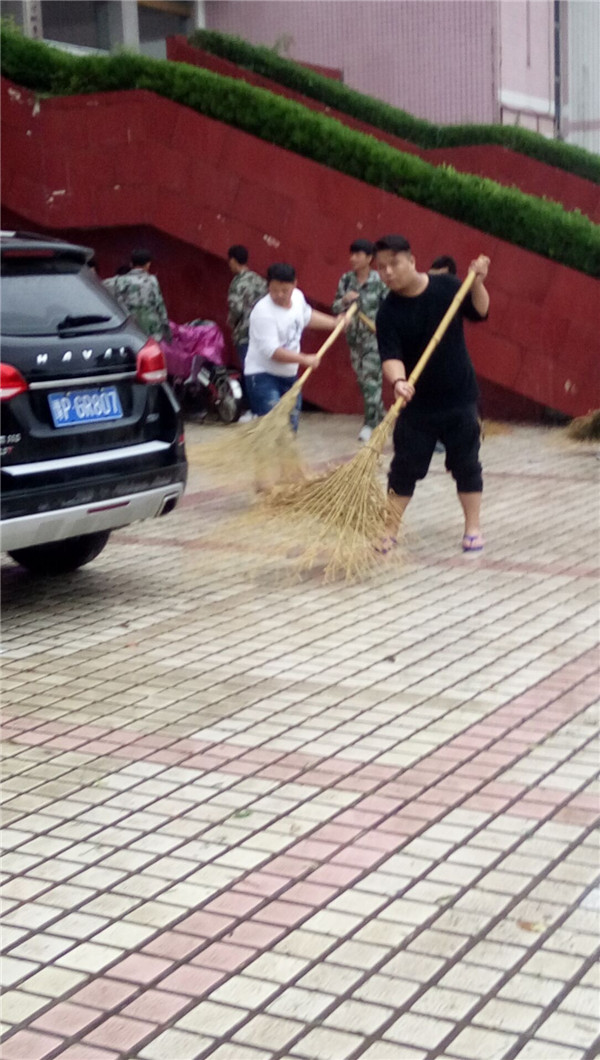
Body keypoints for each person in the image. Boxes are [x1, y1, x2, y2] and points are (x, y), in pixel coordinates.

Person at [374, 234, 490, 553]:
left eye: (394, 264)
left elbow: (480, 311)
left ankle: (473, 529)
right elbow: (390, 356)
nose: (388, 273)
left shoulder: (448, 288)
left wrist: (477, 281)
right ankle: (389, 530)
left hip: (459, 397)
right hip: (417, 404)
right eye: (381, 268)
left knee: (467, 464)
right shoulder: (389, 312)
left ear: (411, 261)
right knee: (405, 467)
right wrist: (399, 382)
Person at [244, 262, 343, 431]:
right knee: (272, 428)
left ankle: (284, 456)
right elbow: (273, 351)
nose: (280, 295)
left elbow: (307, 316)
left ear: (294, 284)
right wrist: (304, 359)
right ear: (268, 286)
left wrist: (335, 323)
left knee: (291, 426)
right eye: (274, 290)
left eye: (285, 290)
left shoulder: (297, 297)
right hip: (263, 376)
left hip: (289, 376)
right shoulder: (263, 313)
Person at [332, 239, 387, 443]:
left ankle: (370, 424)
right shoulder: (346, 280)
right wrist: (345, 300)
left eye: (358, 254)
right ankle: (380, 415)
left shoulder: (379, 281)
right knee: (363, 382)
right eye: (351, 254)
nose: (353, 258)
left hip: (374, 339)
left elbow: (390, 308)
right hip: (354, 339)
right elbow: (335, 307)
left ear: (369, 258)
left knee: (372, 381)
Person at [112, 249, 171, 341]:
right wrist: (167, 332)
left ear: (131, 264)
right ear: (148, 264)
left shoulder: (120, 281)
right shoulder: (152, 281)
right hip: (151, 331)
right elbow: (160, 306)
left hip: (129, 330)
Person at [227, 245, 268, 369]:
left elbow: (237, 309)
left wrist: (230, 321)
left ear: (233, 261)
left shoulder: (237, 283)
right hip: (261, 333)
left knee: (249, 370)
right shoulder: (260, 280)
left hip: (244, 335)